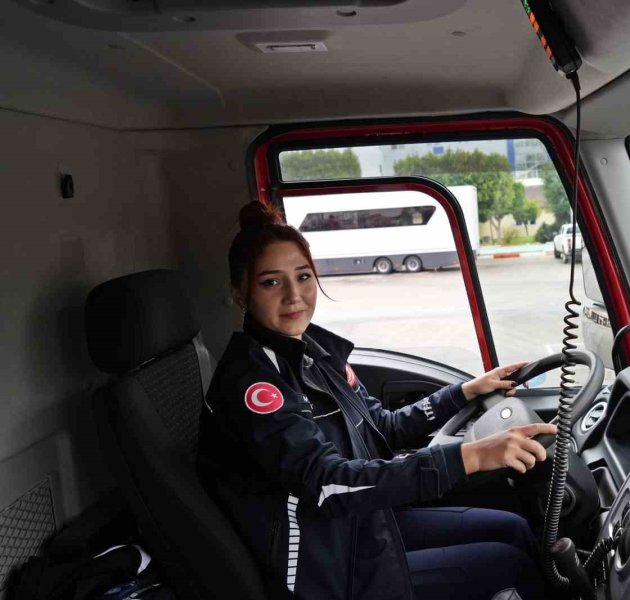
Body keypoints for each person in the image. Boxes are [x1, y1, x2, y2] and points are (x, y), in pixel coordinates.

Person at [197, 202, 556, 600]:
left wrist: (466, 391)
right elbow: (327, 484)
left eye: (303, 276)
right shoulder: (254, 384)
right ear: (240, 293)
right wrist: (470, 457)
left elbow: (382, 426)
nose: (294, 296)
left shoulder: (315, 354)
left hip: (354, 525)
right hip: (321, 565)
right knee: (509, 565)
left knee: (514, 529)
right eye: (271, 282)